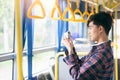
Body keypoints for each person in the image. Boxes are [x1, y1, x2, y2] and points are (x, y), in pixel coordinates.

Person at [62, 12, 114, 80]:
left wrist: (70, 51)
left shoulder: (101, 54)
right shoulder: (99, 49)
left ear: (100, 29)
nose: (89, 32)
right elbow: (81, 64)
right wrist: (71, 48)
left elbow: (77, 76)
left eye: (91, 28)